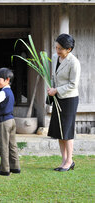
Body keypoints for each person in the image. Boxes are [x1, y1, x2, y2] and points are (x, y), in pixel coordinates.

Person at [47, 34, 81, 172]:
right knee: (59, 130)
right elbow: (54, 76)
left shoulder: (74, 63)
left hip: (69, 99)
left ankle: (69, 161)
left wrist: (56, 90)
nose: (57, 51)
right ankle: (63, 160)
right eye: (56, 47)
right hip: (57, 97)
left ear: (69, 49)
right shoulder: (55, 58)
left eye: (60, 48)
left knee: (67, 131)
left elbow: (73, 85)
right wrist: (51, 88)